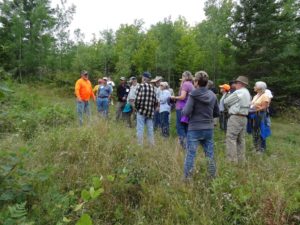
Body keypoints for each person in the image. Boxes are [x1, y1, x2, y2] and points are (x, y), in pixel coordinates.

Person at [182, 71, 220, 179]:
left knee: (191, 154)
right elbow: (217, 113)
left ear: (197, 82)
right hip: (208, 128)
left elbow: (186, 112)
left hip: (194, 129)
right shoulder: (212, 95)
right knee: (210, 154)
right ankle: (212, 178)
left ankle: (187, 179)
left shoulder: (193, 95)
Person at [224, 76, 251, 163]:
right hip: (244, 117)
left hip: (235, 117)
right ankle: (241, 160)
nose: (235, 84)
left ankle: (232, 161)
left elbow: (226, 101)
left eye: (236, 83)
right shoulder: (247, 92)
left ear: (240, 84)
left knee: (231, 138)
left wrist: (231, 105)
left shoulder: (238, 92)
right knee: (241, 139)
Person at [171, 71, 194, 150]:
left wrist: (174, 97)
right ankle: (189, 145)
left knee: (180, 126)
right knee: (186, 126)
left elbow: (182, 97)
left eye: (182, 76)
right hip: (189, 108)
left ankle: (184, 146)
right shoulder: (192, 84)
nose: (182, 78)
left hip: (181, 107)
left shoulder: (185, 84)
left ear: (185, 76)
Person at [248, 81, 271, 153]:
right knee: (254, 131)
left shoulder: (265, 96)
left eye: (255, 86)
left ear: (260, 88)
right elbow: (252, 104)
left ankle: (261, 149)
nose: (254, 87)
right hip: (253, 115)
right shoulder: (256, 96)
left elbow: (264, 108)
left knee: (260, 131)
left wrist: (254, 109)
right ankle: (256, 147)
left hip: (260, 115)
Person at [135, 72, 158, 145]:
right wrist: (152, 109)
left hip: (141, 111)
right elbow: (155, 101)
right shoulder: (153, 88)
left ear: (143, 78)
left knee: (140, 128)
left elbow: (137, 99)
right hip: (150, 112)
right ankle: (151, 145)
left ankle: (139, 145)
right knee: (150, 129)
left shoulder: (140, 86)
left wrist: (137, 108)